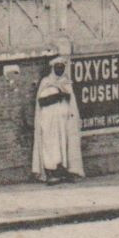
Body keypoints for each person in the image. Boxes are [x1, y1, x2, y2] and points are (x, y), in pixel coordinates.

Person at [31, 56, 84, 184]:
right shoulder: (46, 82)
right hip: (50, 123)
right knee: (51, 146)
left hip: (64, 122)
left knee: (64, 145)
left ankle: (64, 171)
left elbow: (70, 100)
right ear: (53, 68)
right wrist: (58, 95)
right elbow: (42, 101)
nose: (60, 70)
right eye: (58, 67)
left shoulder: (66, 82)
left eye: (62, 67)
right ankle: (50, 172)